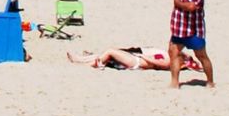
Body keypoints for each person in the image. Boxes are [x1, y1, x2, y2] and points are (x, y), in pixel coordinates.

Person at [168, 0, 213, 88]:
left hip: (193, 30)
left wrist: (178, 3)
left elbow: (191, 6)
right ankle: (174, 82)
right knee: (173, 53)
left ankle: (210, 81)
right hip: (179, 29)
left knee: (201, 56)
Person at [69, 44, 202, 73]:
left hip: (137, 62)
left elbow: (156, 63)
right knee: (110, 52)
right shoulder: (171, 57)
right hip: (137, 59)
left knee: (110, 52)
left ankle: (88, 64)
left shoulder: (170, 61)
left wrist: (142, 55)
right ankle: (81, 60)